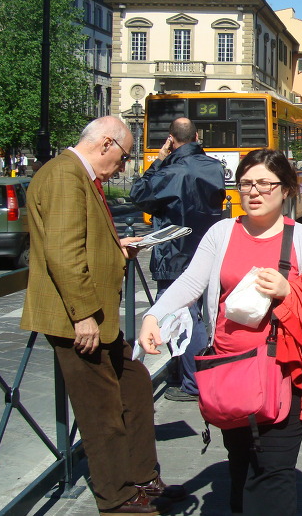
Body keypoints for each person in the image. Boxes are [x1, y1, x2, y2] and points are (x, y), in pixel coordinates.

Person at [138, 149, 302, 515]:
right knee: (241, 463)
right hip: (229, 371)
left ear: (286, 189)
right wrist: (155, 316)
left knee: (273, 472)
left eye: (265, 183)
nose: (254, 191)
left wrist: (288, 291)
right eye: (246, 183)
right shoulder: (222, 233)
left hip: (283, 374)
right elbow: (192, 281)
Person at [20, 116, 186, 515]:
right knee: (101, 411)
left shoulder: (76, 174)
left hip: (96, 316)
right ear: (106, 144)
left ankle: (142, 477)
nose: (123, 165)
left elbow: (80, 239)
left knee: (135, 384)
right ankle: (118, 498)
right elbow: (63, 252)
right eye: (125, 156)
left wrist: (118, 246)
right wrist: (83, 316)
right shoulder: (65, 175)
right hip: (77, 318)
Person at [129, 117, 226, 402]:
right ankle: (197, 372)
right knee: (204, 314)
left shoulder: (169, 171)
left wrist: (159, 159)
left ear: (171, 140)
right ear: (197, 137)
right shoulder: (214, 167)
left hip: (174, 252)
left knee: (183, 315)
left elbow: (138, 193)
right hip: (209, 248)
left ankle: (194, 382)